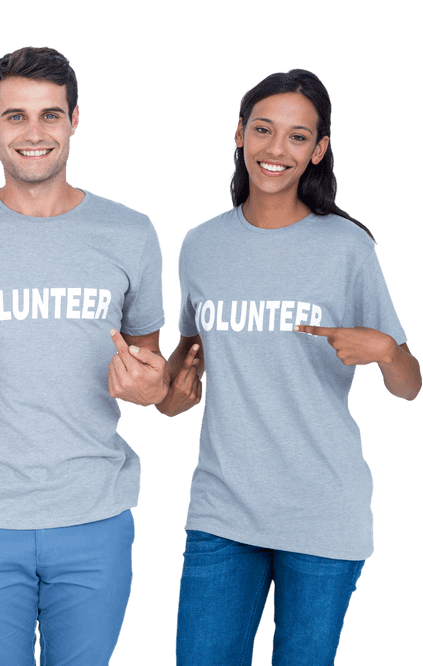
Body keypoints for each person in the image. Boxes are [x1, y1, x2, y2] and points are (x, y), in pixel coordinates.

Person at [0, 46, 168, 665]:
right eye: (16, 116)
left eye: (50, 115)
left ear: (75, 121)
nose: (34, 132)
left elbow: (151, 373)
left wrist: (149, 389)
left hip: (95, 516)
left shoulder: (130, 233)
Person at [158, 68, 421, 665]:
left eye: (298, 137)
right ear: (240, 136)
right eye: (264, 130)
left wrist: (384, 350)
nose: (277, 150)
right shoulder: (200, 245)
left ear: (319, 150)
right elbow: (180, 385)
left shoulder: (347, 246)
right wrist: (166, 388)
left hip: (322, 512)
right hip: (222, 511)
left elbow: (410, 387)